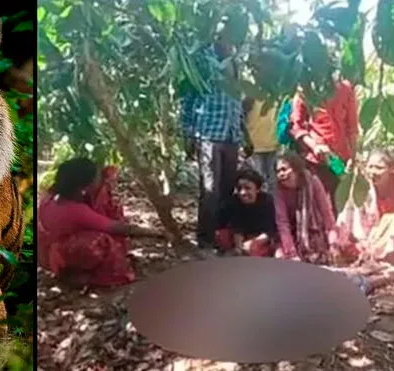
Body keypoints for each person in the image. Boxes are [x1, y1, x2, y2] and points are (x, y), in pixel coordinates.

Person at [37, 158, 164, 287]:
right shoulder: (77, 210)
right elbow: (118, 228)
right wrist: (157, 233)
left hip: (43, 252)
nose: (101, 180)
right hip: (59, 255)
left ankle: (71, 268)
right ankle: (78, 275)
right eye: (97, 177)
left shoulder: (49, 196)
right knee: (101, 240)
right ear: (84, 186)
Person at [180, 41, 247, 247]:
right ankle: (205, 240)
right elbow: (188, 98)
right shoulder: (202, 57)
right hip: (208, 132)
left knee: (227, 189)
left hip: (230, 134)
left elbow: (236, 100)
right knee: (210, 190)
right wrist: (188, 134)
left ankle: (220, 236)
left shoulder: (235, 60)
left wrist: (243, 133)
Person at [289, 80, 359, 214]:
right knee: (317, 203)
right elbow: (296, 125)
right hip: (316, 158)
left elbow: (352, 127)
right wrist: (314, 145)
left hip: (341, 157)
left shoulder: (345, 89)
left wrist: (353, 157)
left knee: (341, 203)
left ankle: (339, 234)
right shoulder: (305, 89)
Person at [273, 152, 338, 264]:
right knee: (280, 258)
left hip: (316, 232)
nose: (281, 174)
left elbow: (326, 214)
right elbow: (282, 223)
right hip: (292, 236)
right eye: (278, 171)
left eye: (284, 169)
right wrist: (291, 253)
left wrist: (333, 243)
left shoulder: (313, 182)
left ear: (296, 169)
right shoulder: (279, 191)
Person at [215, 167, 278, 257]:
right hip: (240, 235)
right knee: (222, 237)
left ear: (257, 189)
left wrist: (255, 242)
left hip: (261, 236)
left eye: (247, 188)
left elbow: (270, 231)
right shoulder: (234, 201)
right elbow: (237, 226)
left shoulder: (267, 201)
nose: (243, 193)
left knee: (253, 250)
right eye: (239, 189)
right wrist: (239, 247)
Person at [242, 98, 279, 192]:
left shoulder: (274, 97)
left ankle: (273, 205)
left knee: (273, 182)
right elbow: (241, 121)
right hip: (255, 147)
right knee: (259, 181)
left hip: (273, 146)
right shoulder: (249, 99)